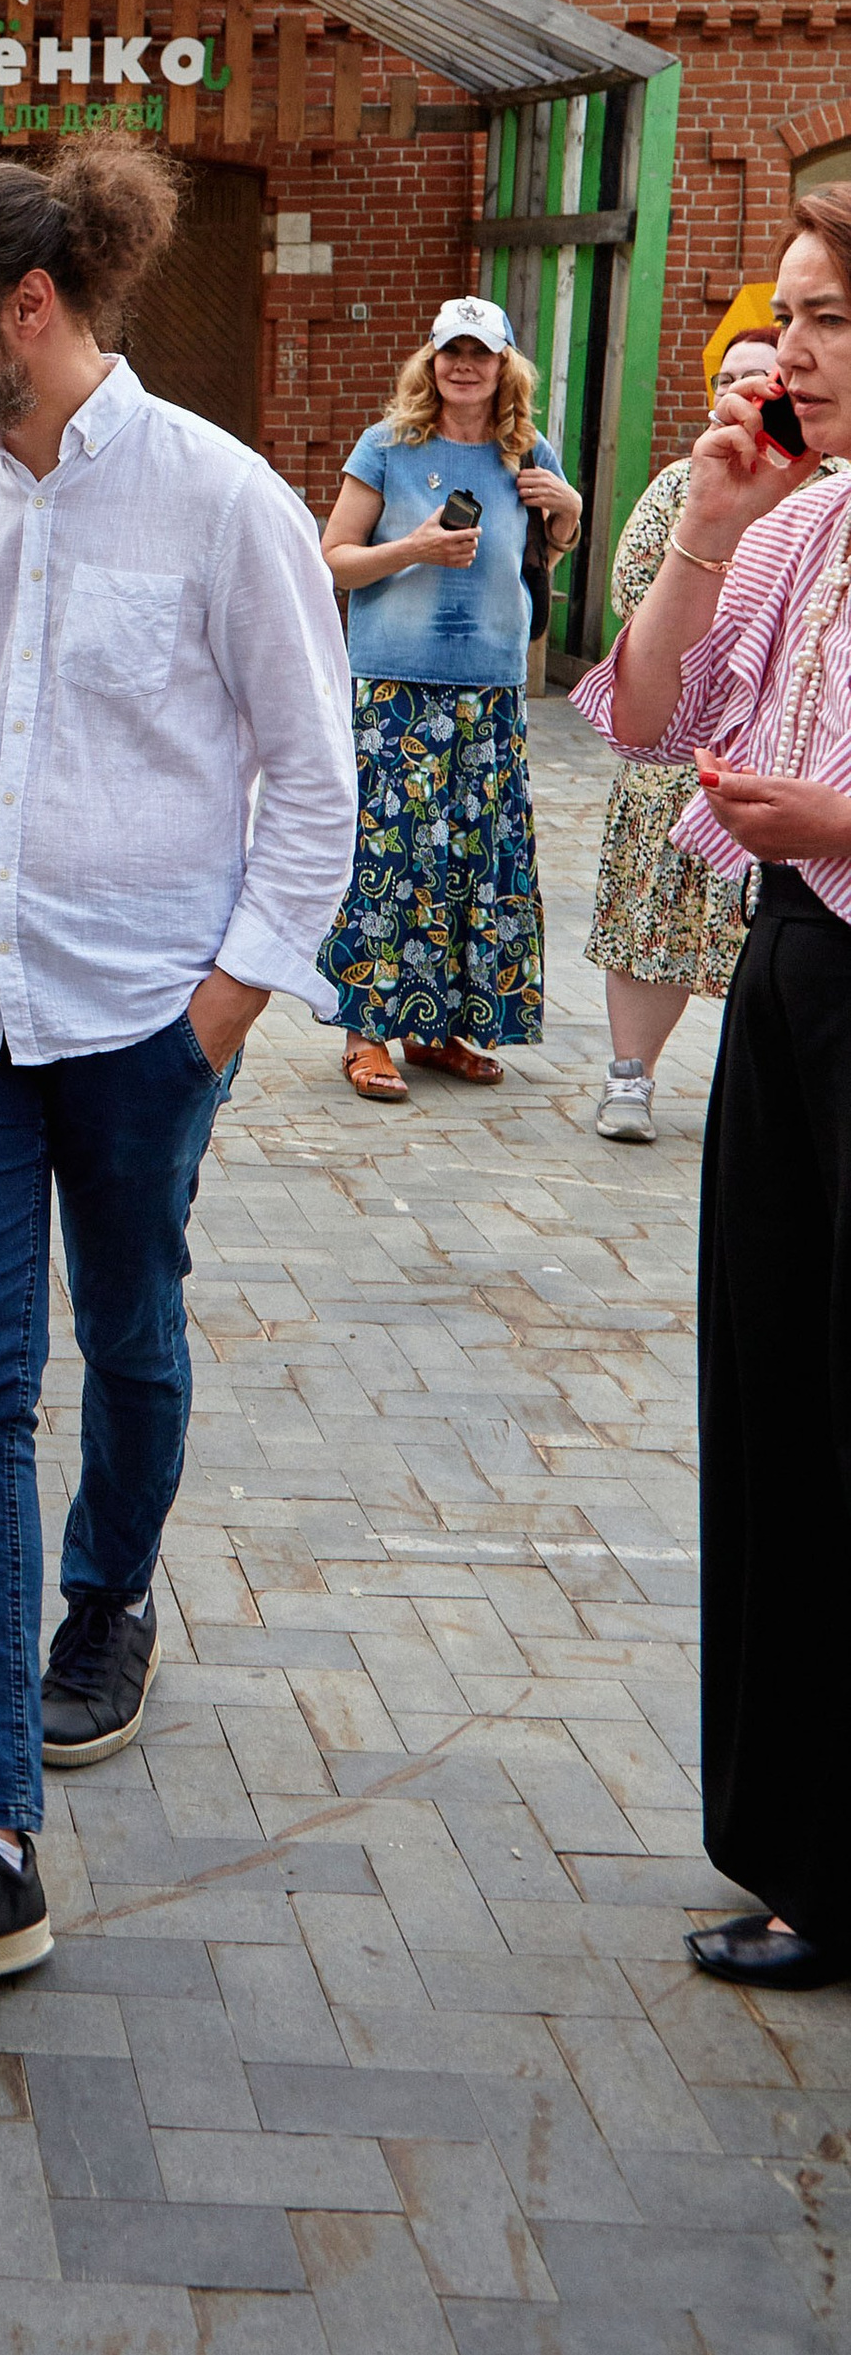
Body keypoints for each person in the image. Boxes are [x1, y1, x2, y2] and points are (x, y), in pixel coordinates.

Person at [0, 141, 356, 1994]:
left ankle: (110, 1589)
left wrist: (217, 1017)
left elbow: (314, 789)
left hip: (139, 1027)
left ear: (26, 311)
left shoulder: (220, 501)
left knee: (128, 1333)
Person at [571, 186, 851, 1991]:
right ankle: (803, 1844)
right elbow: (649, 717)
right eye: (795, 314)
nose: (793, 348)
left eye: (826, 320)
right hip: (797, 979)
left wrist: (837, 822)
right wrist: (709, 530)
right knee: (778, 1397)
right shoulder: (803, 517)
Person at [316, 298, 583, 1099]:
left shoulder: (525, 450)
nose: (464, 365)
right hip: (397, 685)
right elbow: (332, 560)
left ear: (505, 366)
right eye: (450, 352)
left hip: (491, 692)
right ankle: (366, 1034)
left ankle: (440, 1030)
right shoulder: (388, 447)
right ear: (430, 362)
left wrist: (566, 512)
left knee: (472, 859)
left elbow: (547, 554)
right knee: (388, 857)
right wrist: (416, 547)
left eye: (481, 353)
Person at [585, 322, 801, 1145]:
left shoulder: (833, 486)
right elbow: (630, 602)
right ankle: (629, 1081)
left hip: (781, 755)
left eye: (768, 377)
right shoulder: (683, 485)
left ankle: (757, 1098)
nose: (754, 393)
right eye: (737, 377)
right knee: (651, 926)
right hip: (675, 760)